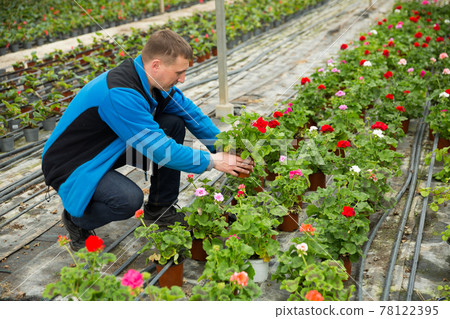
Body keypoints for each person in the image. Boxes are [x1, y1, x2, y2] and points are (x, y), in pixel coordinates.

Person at [41, 29, 254, 251]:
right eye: (179, 72)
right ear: (156, 65)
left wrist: (230, 150)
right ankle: (77, 219)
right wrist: (212, 160)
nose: (182, 79)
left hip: (108, 148)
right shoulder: (120, 93)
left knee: (173, 122)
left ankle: (160, 208)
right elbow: (160, 150)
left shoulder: (156, 85)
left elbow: (193, 116)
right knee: (128, 201)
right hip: (74, 162)